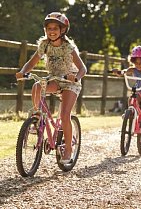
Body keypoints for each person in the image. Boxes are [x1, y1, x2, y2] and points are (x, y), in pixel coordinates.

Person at [15, 12, 87, 164]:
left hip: (69, 82)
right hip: (54, 78)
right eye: (49, 28)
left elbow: (83, 68)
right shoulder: (44, 44)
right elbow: (33, 61)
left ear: (63, 30)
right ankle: (37, 118)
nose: (52, 31)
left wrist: (76, 77)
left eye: (55, 28)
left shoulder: (68, 47)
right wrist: (23, 72)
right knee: (37, 86)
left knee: (65, 114)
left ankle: (68, 149)